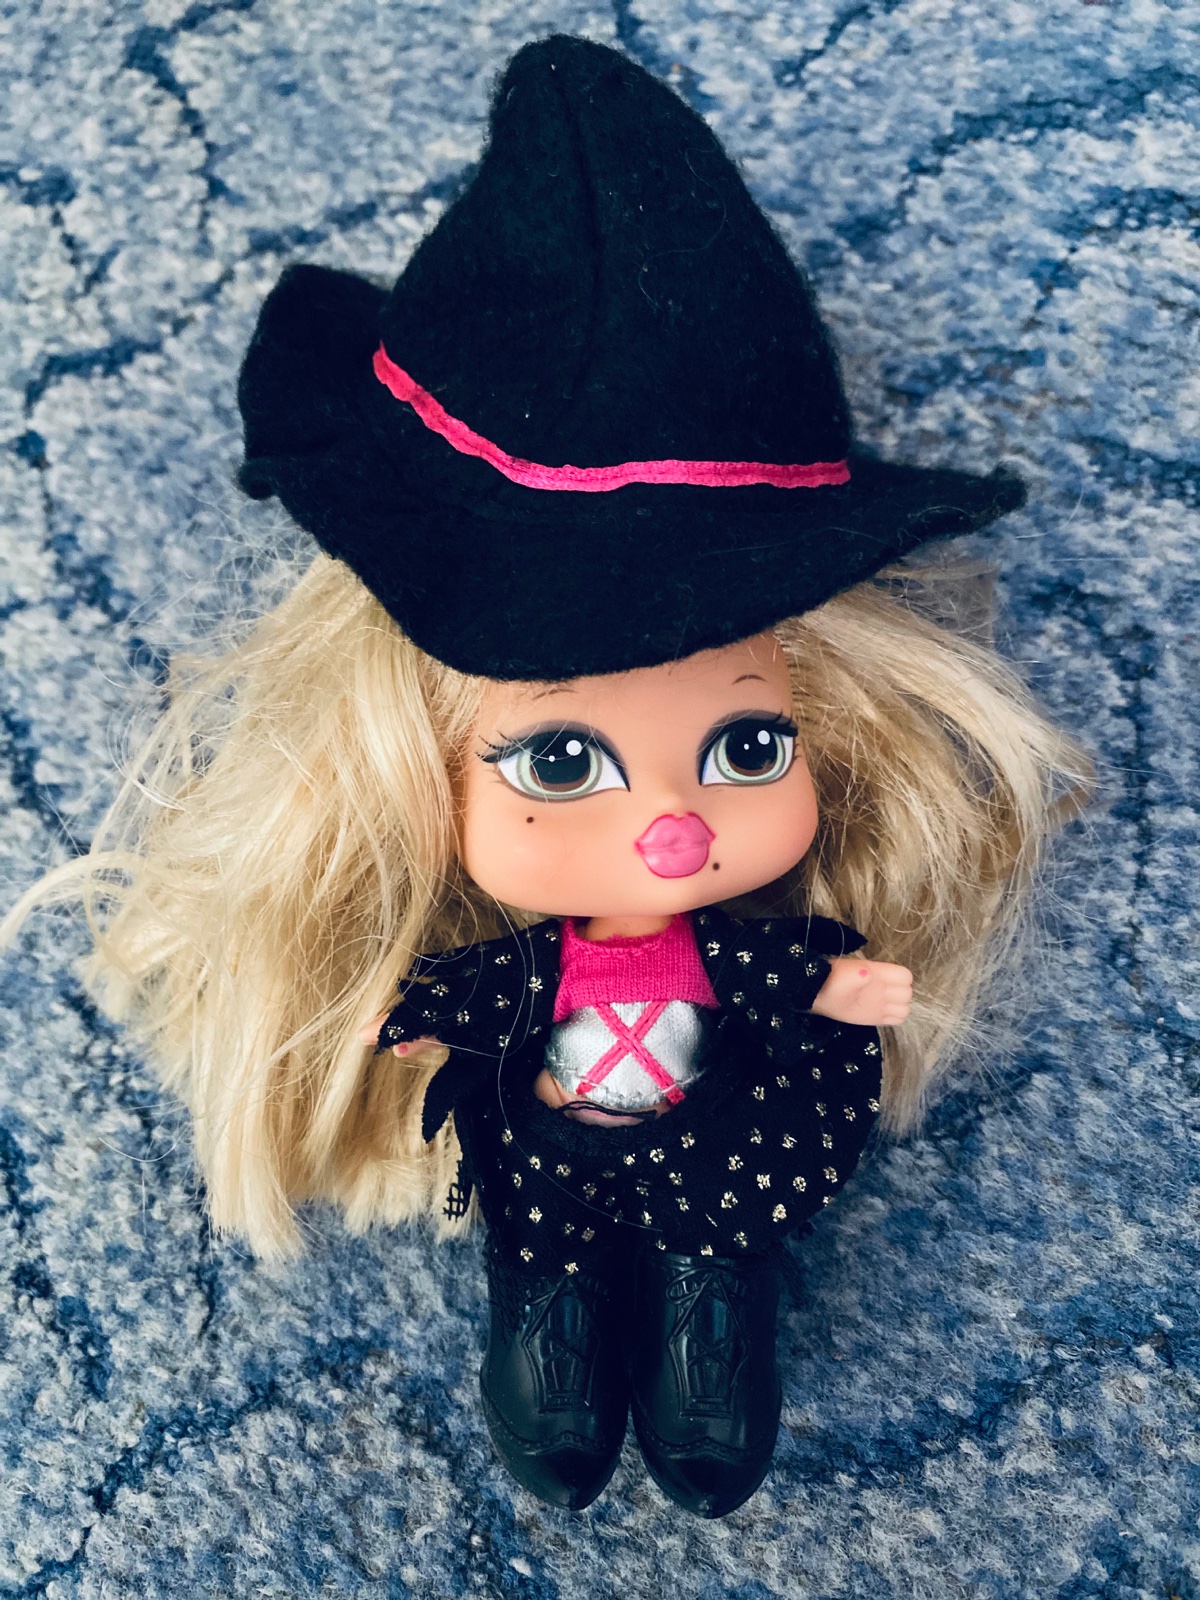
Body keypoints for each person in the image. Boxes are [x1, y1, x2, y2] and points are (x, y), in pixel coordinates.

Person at [1, 35, 1090, 1518]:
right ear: (400, 784)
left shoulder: (728, 937)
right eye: (563, 761)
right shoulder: (531, 962)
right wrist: (401, 1020)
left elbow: (781, 979)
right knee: (545, 1257)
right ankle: (551, 1353)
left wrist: (846, 985)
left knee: (716, 1248)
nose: (671, 826)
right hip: (557, 1141)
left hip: (706, 1141)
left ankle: (708, 1353)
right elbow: (472, 999)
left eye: (750, 747)